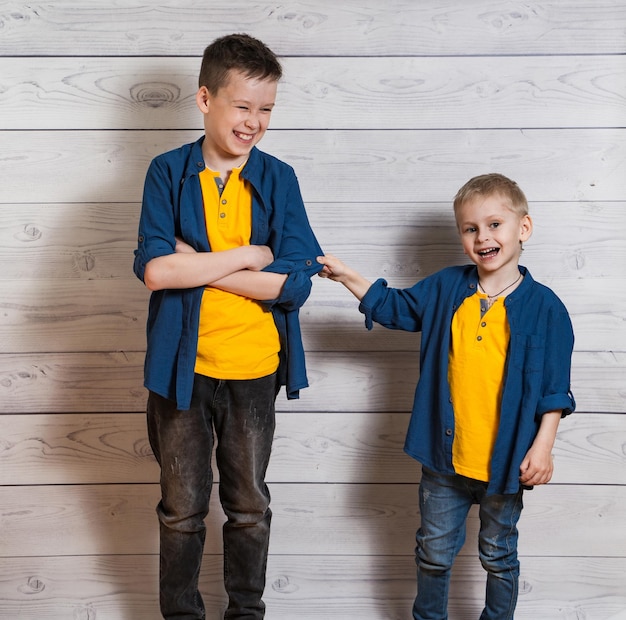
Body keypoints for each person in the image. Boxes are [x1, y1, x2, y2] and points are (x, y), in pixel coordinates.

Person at [317, 173, 575, 620]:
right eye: (471, 228)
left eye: (495, 224)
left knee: (498, 557)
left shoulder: (546, 307)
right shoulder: (445, 288)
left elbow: (554, 389)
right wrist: (347, 277)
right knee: (433, 555)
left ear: (523, 228)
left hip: (506, 462)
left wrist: (543, 446)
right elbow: (395, 308)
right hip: (443, 460)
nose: (483, 237)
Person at [133, 33, 323, 620]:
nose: (254, 122)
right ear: (205, 99)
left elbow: (295, 283)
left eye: (265, 109)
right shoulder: (167, 173)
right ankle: (182, 614)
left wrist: (200, 265)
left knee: (248, 506)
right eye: (243, 106)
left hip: (255, 372)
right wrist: (247, 256)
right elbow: (155, 270)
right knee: (182, 510)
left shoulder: (278, 178)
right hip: (182, 372)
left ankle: (246, 611)